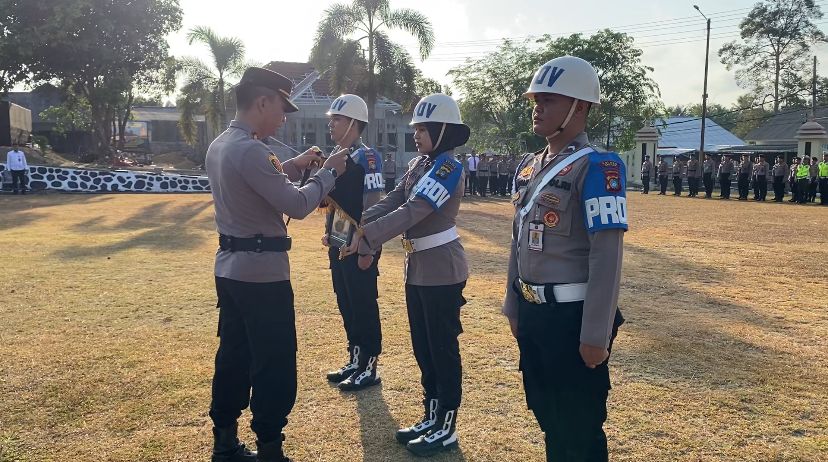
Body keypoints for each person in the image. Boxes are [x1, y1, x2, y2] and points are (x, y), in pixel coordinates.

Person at [205, 67, 348, 462]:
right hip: (262, 274)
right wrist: (328, 173)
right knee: (273, 360)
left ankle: (225, 441)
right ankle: (270, 447)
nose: (284, 117)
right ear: (262, 101)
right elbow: (298, 205)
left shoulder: (223, 145)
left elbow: (254, 181)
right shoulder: (251, 150)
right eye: (281, 108)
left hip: (231, 269)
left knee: (234, 354)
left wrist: (297, 164)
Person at [503, 56, 625, 462]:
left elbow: (607, 255)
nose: (538, 107)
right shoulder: (530, 166)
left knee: (580, 427)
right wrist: (513, 303)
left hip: (572, 318)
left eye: (550, 100)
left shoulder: (599, 166)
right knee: (548, 416)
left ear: (581, 107)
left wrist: (595, 333)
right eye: (536, 99)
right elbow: (518, 238)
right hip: (534, 313)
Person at [340, 93, 469, 457]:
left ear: (442, 131)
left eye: (423, 128)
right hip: (418, 269)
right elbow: (392, 200)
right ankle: (431, 415)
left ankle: (446, 426)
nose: (416, 134)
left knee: (442, 349)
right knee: (423, 348)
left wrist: (366, 237)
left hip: (442, 269)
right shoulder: (420, 165)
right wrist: (357, 224)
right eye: (415, 128)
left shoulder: (447, 168)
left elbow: (415, 211)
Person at [321, 94, 384, 391]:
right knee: (345, 300)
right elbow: (335, 202)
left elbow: (372, 205)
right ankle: (355, 357)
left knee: (362, 303)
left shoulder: (366, 157)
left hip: (360, 242)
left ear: (355, 123)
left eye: (338, 119)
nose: (332, 124)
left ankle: (369, 365)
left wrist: (367, 245)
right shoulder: (336, 155)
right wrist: (331, 232)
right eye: (331, 119)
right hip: (339, 239)